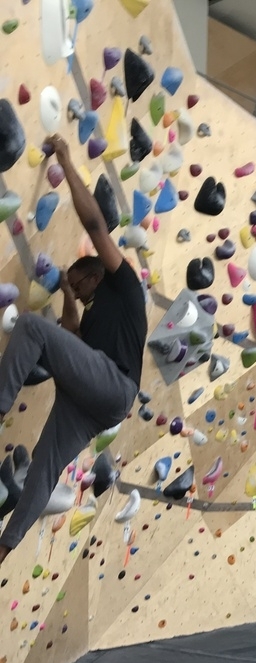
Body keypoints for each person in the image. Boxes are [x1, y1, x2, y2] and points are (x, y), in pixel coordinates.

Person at [0, 134, 146, 570]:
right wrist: (65, 290)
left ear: (96, 275)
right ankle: (5, 548)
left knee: (30, 326)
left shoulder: (123, 285)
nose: (79, 296)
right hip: (97, 403)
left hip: (114, 384)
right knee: (44, 467)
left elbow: (96, 226)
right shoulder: (91, 309)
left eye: (81, 286)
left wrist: (64, 156)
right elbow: (73, 335)